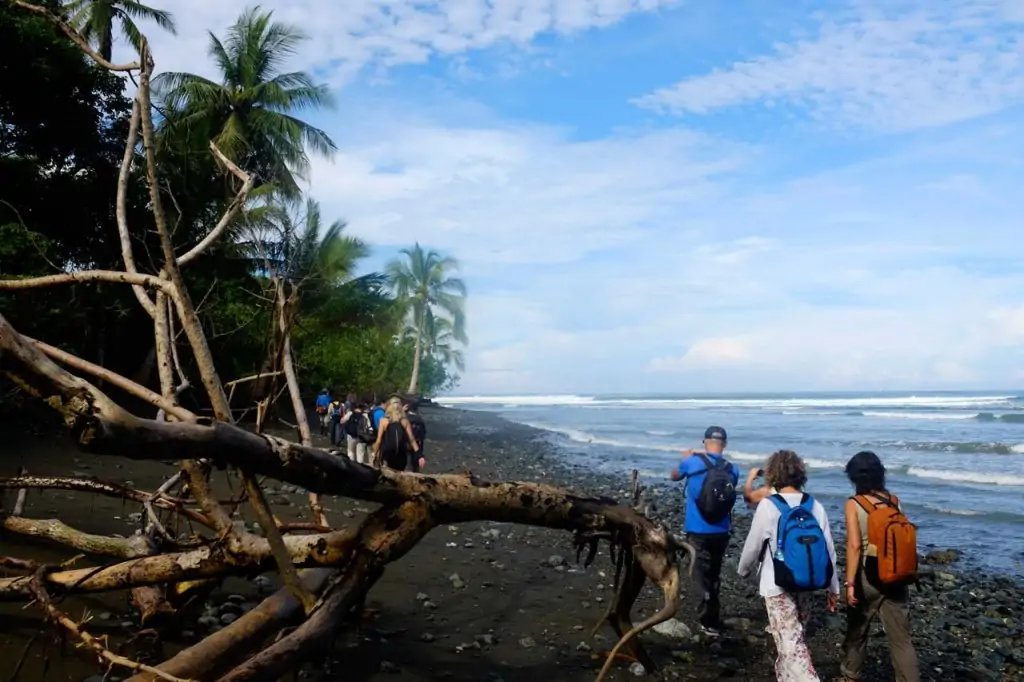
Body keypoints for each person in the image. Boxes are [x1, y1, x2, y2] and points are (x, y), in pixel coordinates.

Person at [738, 450, 839, 682]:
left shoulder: (768, 506)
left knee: (790, 644)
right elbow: (829, 550)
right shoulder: (814, 505)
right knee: (793, 639)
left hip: (776, 584)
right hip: (807, 580)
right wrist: (833, 587)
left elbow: (753, 545)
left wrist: (743, 570)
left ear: (773, 473)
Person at [839, 451, 920, 682]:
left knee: (857, 630)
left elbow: (854, 546)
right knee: (901, 640)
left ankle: (851, 675)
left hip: (868, 577)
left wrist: (850, 584)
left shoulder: (854, 504)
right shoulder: (894, 501)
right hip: (896, 574)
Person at [669, 426, 739, 636]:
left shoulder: (692, 462)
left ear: (704, 442)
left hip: (698, 528)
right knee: (714, 573)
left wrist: (687, 458)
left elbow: (674, 476)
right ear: (725, 444)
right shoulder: (732, 469)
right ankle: (712, 617)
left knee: (700, 575)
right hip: (721, 529)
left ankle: (706, 620)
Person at [374, 397, 423, 471]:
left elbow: (379, 440)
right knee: (399, 473)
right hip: (401, 454)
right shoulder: (405, 421)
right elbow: (412, 440)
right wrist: (419, 455)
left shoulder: (383, 421)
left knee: (386, 473)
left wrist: (375, 454)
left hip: (387, 454)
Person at [404, 398, 427, 473]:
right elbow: (422, 436)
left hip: (405, 443)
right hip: (416, 443)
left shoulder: (404, 418)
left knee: (406, 463)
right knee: (415, 465)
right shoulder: (420, 420)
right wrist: (420, 453)